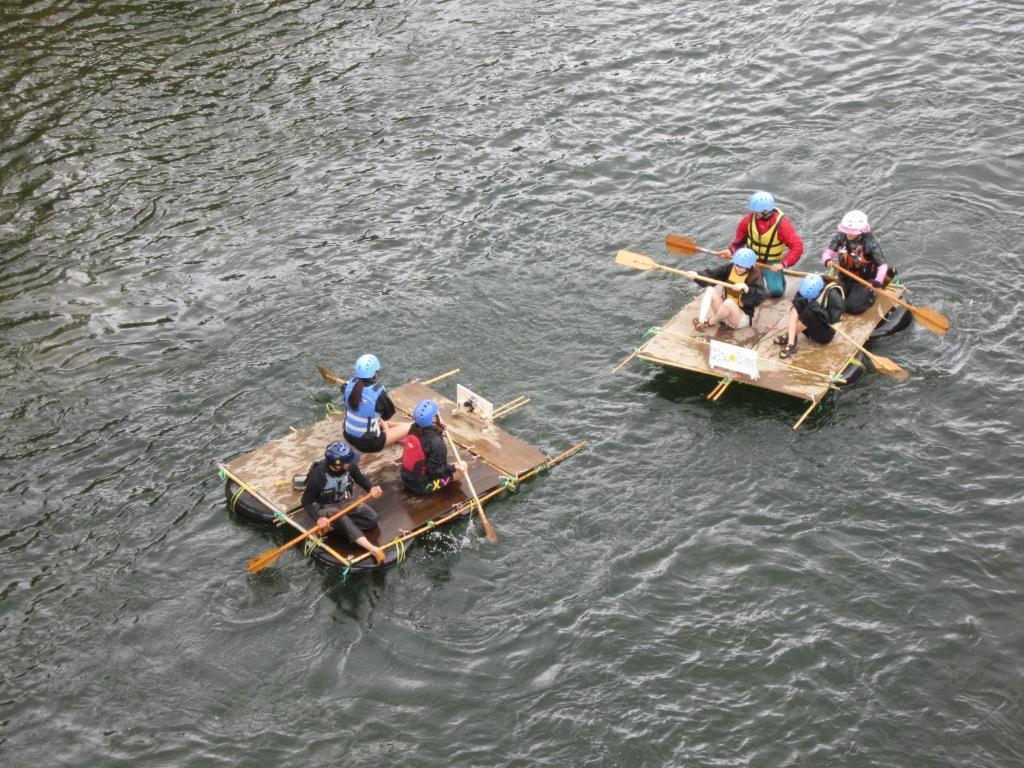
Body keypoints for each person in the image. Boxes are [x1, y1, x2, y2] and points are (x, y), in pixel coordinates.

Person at [301, 441, 386, 564]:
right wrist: (318, 519)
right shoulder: (318, 476)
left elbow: (359, 478)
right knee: (343, 518)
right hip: (325, 507)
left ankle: (342, 528)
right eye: (348, 461)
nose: (352, 463)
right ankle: (372, 548)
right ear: (337, 465)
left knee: (372, 519)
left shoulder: (350, 466)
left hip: (343, 502)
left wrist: (371, 488)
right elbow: (306, 501)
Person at [716, 190, 804, 298]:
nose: (754, 213)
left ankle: (770, 277)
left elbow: (797, 247)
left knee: (777, 292)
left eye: (756, 212)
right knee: (737, 287)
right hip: (750, 259)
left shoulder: (783, 225)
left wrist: (783, 264)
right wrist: (731, 251)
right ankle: (757, 278)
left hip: (771, 262)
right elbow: (740, 240)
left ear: (766, 211)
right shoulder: (748, 220)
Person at [821, 210, 893, 315]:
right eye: (847, 230)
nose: (848, 234)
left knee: (851, 307)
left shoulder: (870, 244)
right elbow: (828, 253)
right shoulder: (841, 236)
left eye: (851, 231)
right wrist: (827, 260)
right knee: (831, 300)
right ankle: (850, 291)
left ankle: (873, 293)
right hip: (845, 277)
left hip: (864, 281)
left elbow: (883, 265)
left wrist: (877, 282)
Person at [342, 353, 411, 453]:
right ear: (375, 373)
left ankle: (390, 430)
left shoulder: (346, 386)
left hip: (348, 435)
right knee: (410, 427)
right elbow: (387, 416)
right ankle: (407, 426)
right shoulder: (378, 393)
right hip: (369, 444)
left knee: (378, 419)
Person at [688, 248, 766, 331]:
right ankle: (701, 321)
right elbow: (712, 274)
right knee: (710, 289)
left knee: (728, 302)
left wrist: (747, 289)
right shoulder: (729, 268)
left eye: (743, 267)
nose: (739, 269)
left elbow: (760, 297)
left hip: (738, 318)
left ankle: (710, 322)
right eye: (737, 265)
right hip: (722, 313)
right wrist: (697, 275)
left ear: (750, 266)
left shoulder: (756, 275)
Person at [399, 399, 468, 495]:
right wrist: (454, 467)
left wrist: (439, 429)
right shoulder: (437, 444)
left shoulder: (414, 428)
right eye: (437, 414)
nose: (440, 416)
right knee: (462, 467)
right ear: (433, 419)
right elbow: (437, 473)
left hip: (405, 476)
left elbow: (427, 439)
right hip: (421, 486)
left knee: (436, 462)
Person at [774, 273, 845, 359]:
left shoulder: (833, 295)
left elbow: (833, 319)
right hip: (809, 327)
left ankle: (790, 333)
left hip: (825, 333)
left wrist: (817, 308)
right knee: (797, 305)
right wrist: (801, 305)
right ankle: (791, 342)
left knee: (810, 313)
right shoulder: (808, 286)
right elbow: (797, 300)